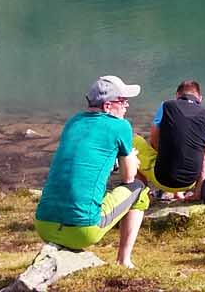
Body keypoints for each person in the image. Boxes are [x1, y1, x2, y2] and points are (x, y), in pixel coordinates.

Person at [33, 75, 152, 268]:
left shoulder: (73, 122)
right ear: (107, 106)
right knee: (139, 189)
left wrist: (114, 162)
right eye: (122, 101)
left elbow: (84, 160)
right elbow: (128, 177)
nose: (127, 106)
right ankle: (124, 260)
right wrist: (132, 159)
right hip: (83, 231)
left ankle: (60, 242)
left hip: (43, 225)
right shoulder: (120, 126)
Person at [137, 79, 205, 201]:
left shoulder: (167, 106)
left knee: (132, 142)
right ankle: (179, 193)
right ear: (200, 98)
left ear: (177, 95)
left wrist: (166, 155)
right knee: (190, 149)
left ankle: (143, 196)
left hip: (161, 179)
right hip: (189, 182)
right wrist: (197, 193)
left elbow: (153, 140)